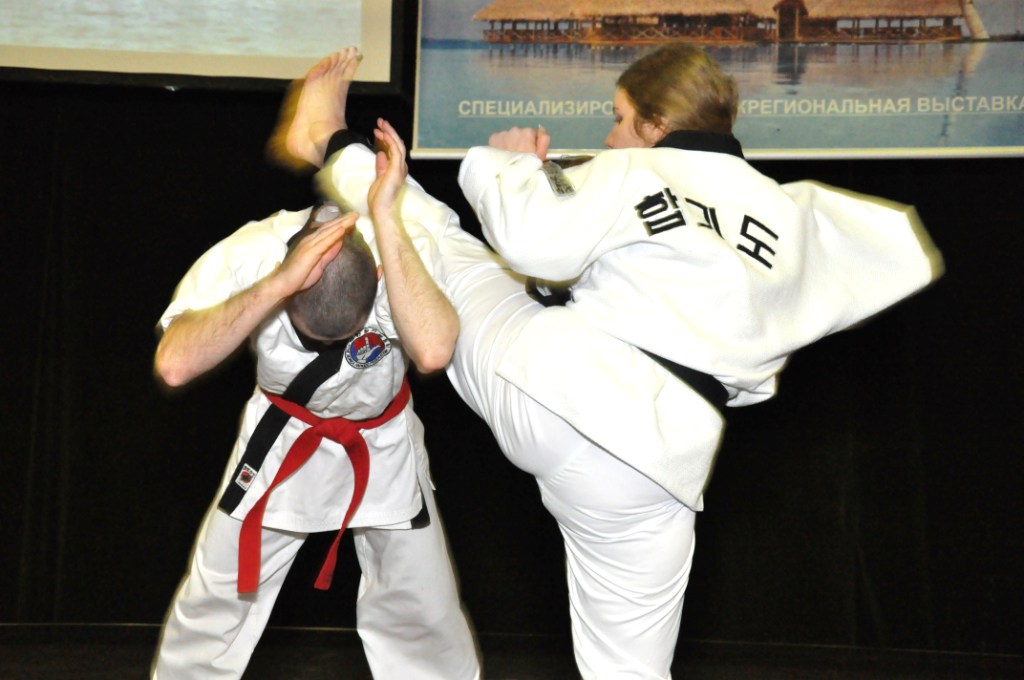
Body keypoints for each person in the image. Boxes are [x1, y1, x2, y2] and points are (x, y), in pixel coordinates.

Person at [281, 46, 941, 679]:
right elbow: (894, 255)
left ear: (657, 125)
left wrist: (511, 166)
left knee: (443, 248)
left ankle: (329, 143)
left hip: (564, 391)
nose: (611, 135)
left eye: (621, 118)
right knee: (630, 670)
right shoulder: (792, 215)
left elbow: (530, 242)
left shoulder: (634, 172)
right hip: (661, 462)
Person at [150, 48, 480, 680]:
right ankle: (322, 136)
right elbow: (174, 365)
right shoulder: (250, 255)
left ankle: (324, 137)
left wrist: (386, 219)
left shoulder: (400, 251)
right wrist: (276, 286)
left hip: (381, 439)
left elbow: (435, 350)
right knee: (214, 602)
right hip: (283, 436)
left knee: (423, 607)